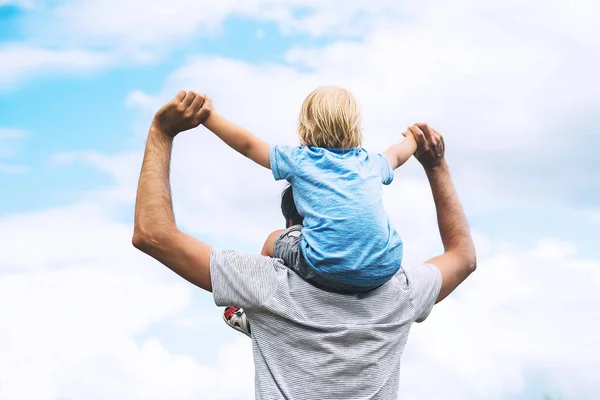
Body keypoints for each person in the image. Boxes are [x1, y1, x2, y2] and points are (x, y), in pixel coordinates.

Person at [132, 90, 476, 399]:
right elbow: (462, 257)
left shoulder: (267, 284)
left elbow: (152, 235)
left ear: (296, 224)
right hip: (383, 280)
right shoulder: (402, 292)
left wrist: (163, 132)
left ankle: (250, 316)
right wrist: (436, 166)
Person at [202, 86, 416, 294]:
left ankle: (253, 310)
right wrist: (413, 139)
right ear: (355, 127)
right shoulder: (370, 162)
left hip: (327, 269)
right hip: (384, 267)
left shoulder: (299, 160)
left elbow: (248, 145)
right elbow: (397, 154)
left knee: (272, 241)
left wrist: (209, 117)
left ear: (304, 127)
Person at [223, 184, 304, 337]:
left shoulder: (288, 236)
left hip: (292, 313)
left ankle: (254, 311)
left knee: (271, 246)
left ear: (291, 222)